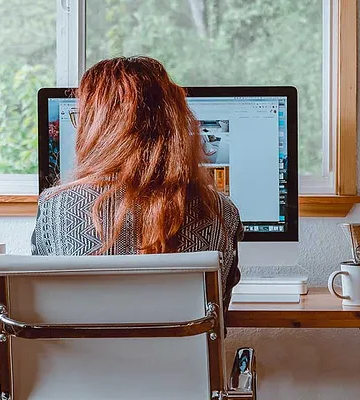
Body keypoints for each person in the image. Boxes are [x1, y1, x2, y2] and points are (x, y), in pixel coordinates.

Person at [31, 56, 243, 311]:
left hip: (82, 351)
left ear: (96, 127)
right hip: (181, 352)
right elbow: (219, 315)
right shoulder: (220, 210)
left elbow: (47, 306)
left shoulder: (56, 207)